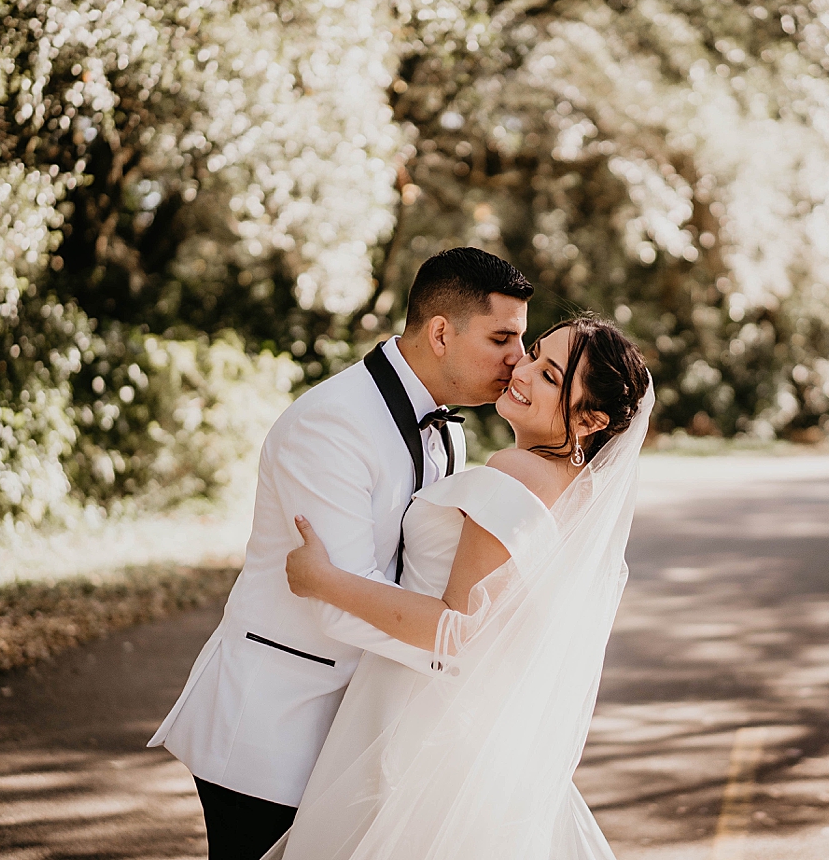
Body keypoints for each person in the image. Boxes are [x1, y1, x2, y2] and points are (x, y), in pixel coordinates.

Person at [147, 248, 534, 860]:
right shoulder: (331, 423)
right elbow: (339, 601)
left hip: (358, 730)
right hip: (275, 729)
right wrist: (456, 646)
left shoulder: (448, 430)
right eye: (502, 338)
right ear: (440, 332)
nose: (519, 358)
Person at [271, 316, 653, 860]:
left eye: (549, 375)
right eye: (533, 353)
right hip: (475, 720)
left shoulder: (518, 471)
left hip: (419, 714)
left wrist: (325, 581)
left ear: (590, 418)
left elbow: (456, 629)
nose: (520, 369)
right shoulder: (579, 493)